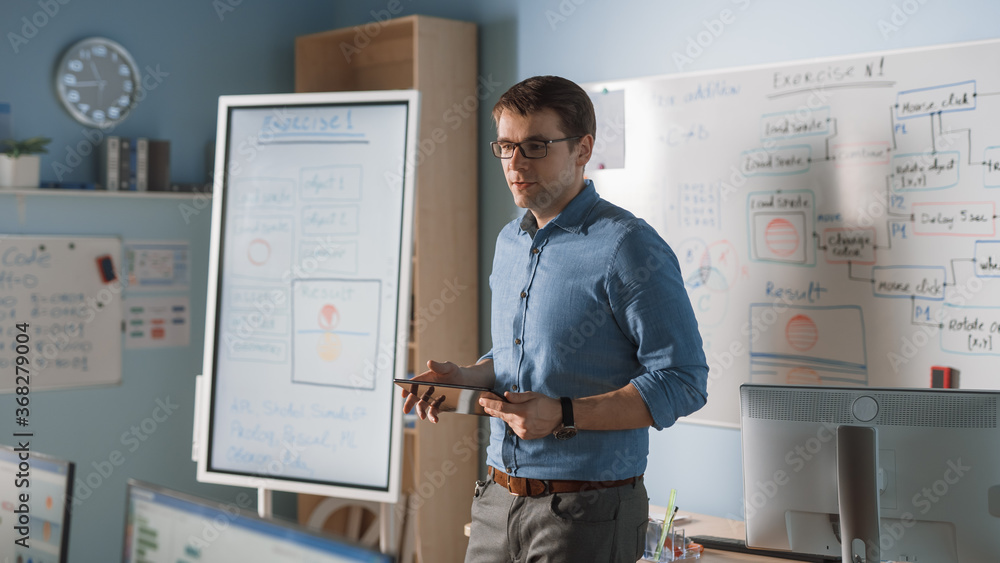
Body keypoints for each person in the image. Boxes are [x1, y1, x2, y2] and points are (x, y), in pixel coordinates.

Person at [401, 75, 709, 563]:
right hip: (495, 502)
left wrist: (564, 415)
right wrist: (465, 377)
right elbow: (521, 358)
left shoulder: (628, 245)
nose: (516, 164)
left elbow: (684, 381)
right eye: (505, 146)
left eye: (536, 146)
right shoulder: (510, 242)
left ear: (583, 149)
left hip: (588, 510)